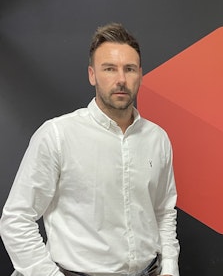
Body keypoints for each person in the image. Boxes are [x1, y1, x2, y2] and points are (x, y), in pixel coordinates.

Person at [0, 23, 180, 276]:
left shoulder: (157, 139)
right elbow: (16, 218)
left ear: (140, 74)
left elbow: (163, 210)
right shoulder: (57, 135)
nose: (120, 79)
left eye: (129, 69)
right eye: (109, 69)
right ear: (92, 75)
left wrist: (170, 268)